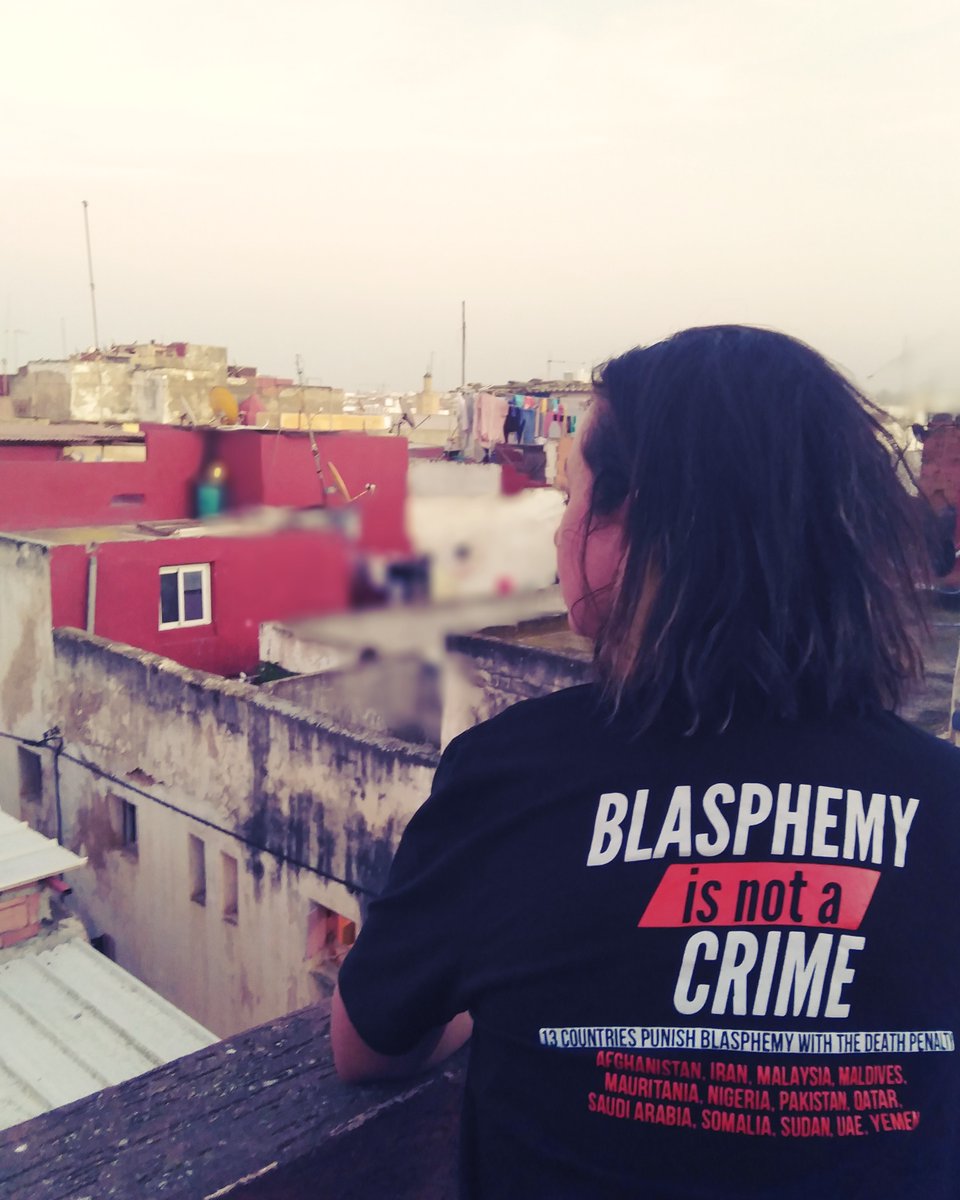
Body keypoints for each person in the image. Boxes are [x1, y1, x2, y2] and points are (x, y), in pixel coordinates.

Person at [333, 326, 960, 1199]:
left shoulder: (511, 778)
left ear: (630, 524)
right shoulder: (943, 803)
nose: (561, 531)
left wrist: (486, 994)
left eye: (572, 498)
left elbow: (368, 1043)